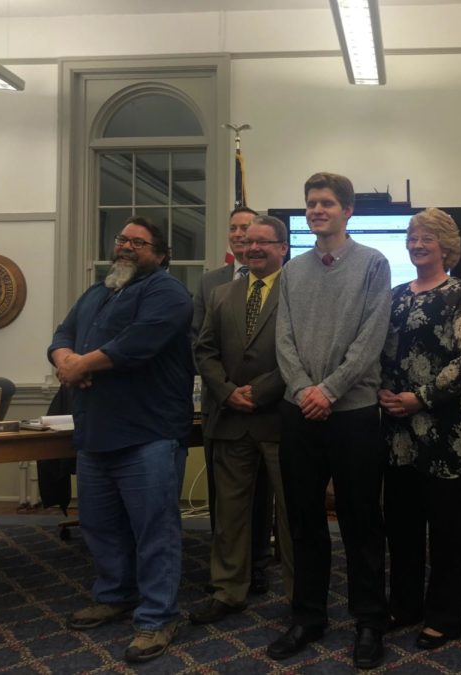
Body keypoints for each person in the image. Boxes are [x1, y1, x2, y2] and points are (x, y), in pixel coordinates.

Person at [49, 216, 194, 664]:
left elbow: (136, 344)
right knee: (99, 525)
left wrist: (82, 365)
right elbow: (61, 335)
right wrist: (67, 359)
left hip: (147, 434)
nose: (127, 246)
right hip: (95, 435)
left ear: (160, 254)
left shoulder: (167, 292)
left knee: (155, 531)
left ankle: (157, 617)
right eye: (122, 239)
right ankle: (114, 595)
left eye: (139, 242)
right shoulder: (97, 291)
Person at [269, 172, 391, 669]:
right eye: (310, 204)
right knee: (304, 522)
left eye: (326, 203)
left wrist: (331, 389)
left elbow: (371, 336)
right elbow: (284, 340)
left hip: (354, 413)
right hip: (301, 414)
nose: (316, 210)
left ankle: (369, 622)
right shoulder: (293, 271)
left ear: (347, 210)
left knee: (362, 521)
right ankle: (308, 616)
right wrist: (303, 391)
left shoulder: (373, 264)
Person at [379, 208, 461, 649]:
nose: (417, 244)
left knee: (447, 530)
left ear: (447, 247)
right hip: (399, 432)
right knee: (401, 525)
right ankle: (405, 605)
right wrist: (386, 394)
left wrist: (418, 397)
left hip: (448, 430)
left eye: (426, 238)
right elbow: (380, 352)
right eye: (412, 237)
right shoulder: (395, 295)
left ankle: (444, 615)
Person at [189, 215, 295, 624]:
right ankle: (228, 590)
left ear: (283, 248)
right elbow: (204, 351)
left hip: (280, 420)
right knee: (230, 516)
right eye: (248, 243)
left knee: (290, 515)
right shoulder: (221, 295)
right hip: (231, 418)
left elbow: (302, 351)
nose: (253, 249)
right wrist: (227, 391)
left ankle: (297, 594)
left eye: (263, 243)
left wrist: (261, 391)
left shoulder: (298, 292)